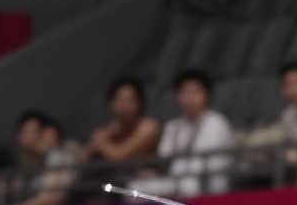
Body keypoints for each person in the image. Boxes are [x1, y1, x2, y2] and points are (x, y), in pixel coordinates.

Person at [140, 69, 235, 197]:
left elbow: (203, 164)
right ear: (178, 96)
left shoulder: (216, 121)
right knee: (138, 186)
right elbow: (164, 159)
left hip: (208, 184)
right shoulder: (172, 126)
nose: (190, 98)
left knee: (189, 184)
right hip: (175, 182)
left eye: (195, 92)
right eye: (185, 93)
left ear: (206, 95)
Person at [82, 77, 162, 166]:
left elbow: (120, 157)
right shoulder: (108, 130)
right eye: (119, 100)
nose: (124, 106)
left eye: (129, 100)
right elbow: (82, 160)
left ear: (140, 103)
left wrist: (101, 143)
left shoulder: (149, 127)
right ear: (111, 104)